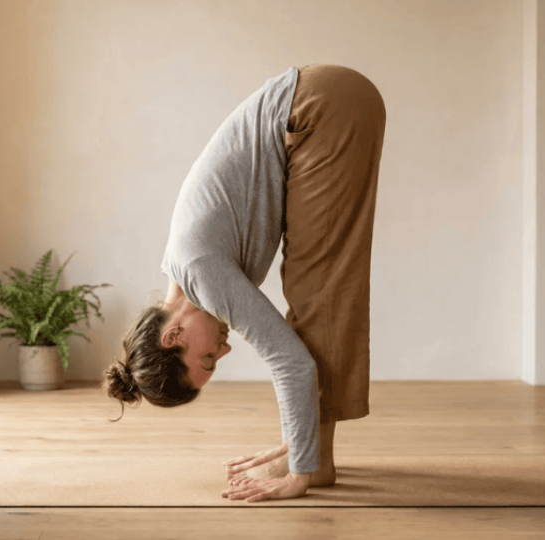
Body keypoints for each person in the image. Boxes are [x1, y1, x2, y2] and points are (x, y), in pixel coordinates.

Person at [103, 64, 386, 503]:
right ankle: (310, 457)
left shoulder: (202, 273)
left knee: (319, 294)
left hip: (317, 109)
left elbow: (290, 362)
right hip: (319, 104)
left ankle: (309, 465)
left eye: (208, 358)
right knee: (315, 291)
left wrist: (296, 476)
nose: (224, 350)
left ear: (172, 335)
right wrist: (296, 446)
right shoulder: (184, 268)